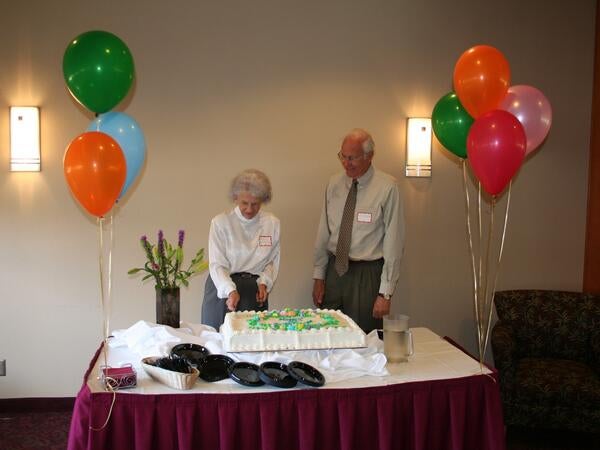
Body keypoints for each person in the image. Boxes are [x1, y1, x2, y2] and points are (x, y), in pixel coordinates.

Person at [312, 129, 404, 333]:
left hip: (367, 274)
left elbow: (394, 242)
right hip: (335, 270)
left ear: (369, 156)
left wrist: (385, 294)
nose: (346, 163)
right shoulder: (334, 184)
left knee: (364, 338)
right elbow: (323, 232)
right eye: (342, 157)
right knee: (328, 333)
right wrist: (319, 276)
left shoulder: (387, 187)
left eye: (352, 158)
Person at [202, 169, 280, 330]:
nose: (250, 209)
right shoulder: (221, 223)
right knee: (217, 341)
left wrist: (264, 283)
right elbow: (217, 264)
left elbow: (272, 261)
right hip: (222, 288)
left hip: (254, 289)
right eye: (245, 203)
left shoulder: (272, 223)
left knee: (250, 344)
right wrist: (230, 291)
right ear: (235, 198)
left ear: (263, 200)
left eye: (255, 204)